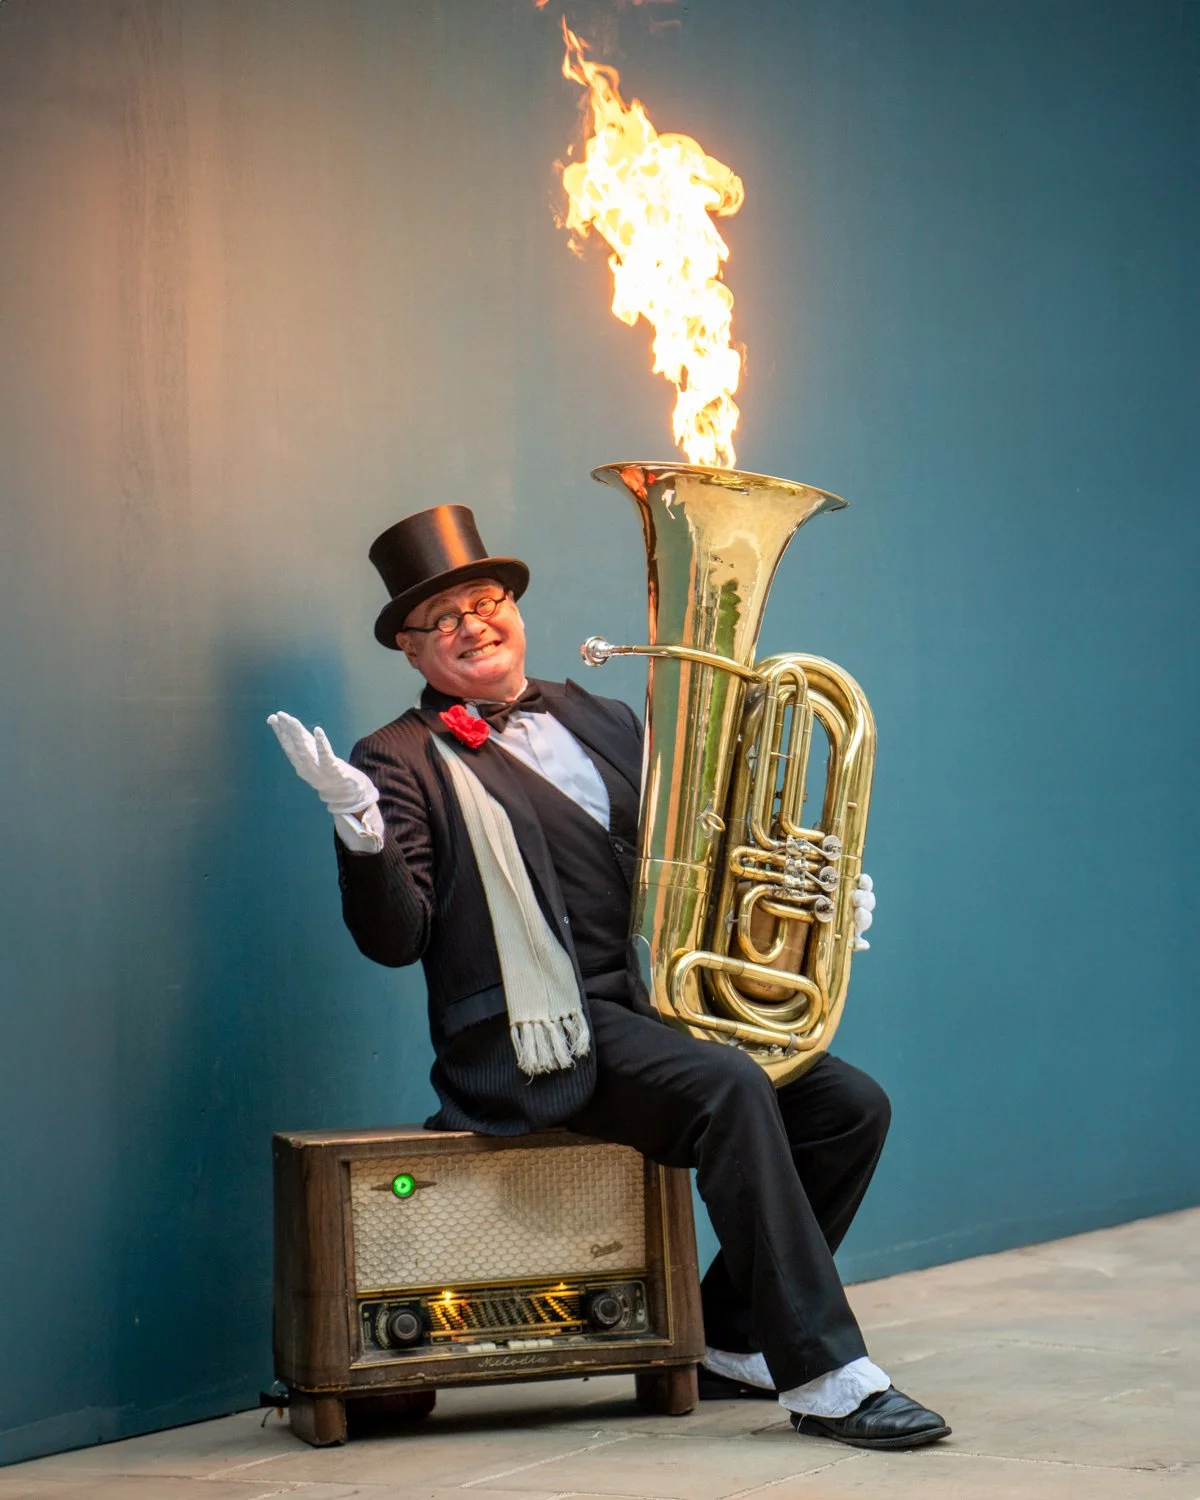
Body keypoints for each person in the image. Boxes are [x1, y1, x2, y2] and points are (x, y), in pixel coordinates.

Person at [269, 504, 950, 1450]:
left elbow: (696, 860)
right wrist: (361, 834)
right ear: (414, 654)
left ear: (513, 609)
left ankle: (739, 1339)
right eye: (443, 620)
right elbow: (397, 938)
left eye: (485, 600)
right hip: (533, 1034)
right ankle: (829, 1376)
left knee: (849, 1105)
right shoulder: (398, 759)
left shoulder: (603, 714)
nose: (473, 624)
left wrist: (811, 910)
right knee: (729, 1087)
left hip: (658, 1003)